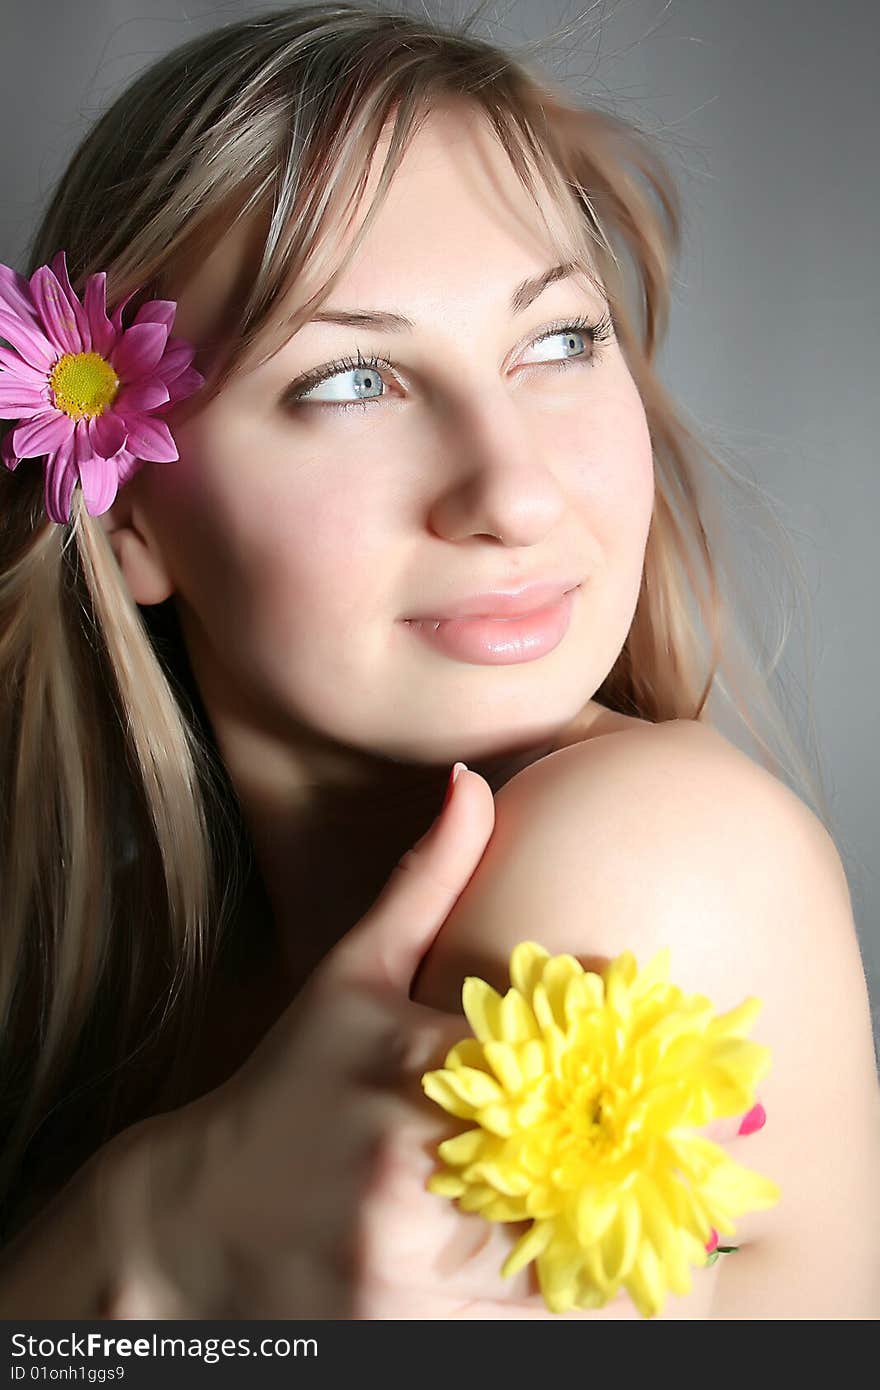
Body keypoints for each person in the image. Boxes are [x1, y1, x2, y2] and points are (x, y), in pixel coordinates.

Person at [0, 3, 876, 1319]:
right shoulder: (155, 1010)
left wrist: (134, 1250)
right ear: (128, 515)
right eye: (352, 379)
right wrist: (143, 1223)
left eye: (559, 341)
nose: (513, 492)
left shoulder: (640, 849)